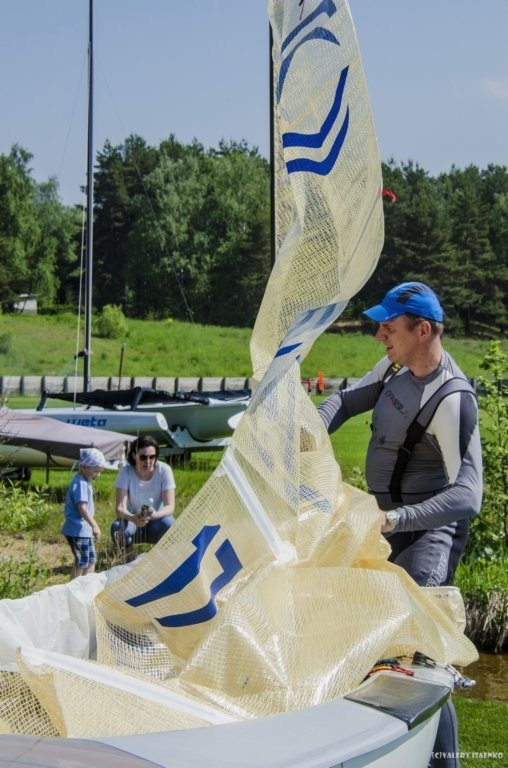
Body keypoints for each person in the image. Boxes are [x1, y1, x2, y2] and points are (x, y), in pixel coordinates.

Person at [317, 281, 483, 768]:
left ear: (422, 330)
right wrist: (307, 435)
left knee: (419, 658)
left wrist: (398, 518)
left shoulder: (453, 398)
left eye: (389, 327)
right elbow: (343, 402)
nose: (379, 336)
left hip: (428, 534)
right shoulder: (394, 367)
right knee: (371, 643)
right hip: (386, 523)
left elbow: (468, 495)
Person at [111, 435, 176, 562]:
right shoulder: (125, 471)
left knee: (170, 524)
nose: (148, 461)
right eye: (143, 457)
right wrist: (133, 518)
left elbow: (170, 506)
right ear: (134, 455)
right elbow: (120, 508)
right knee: (117, 528)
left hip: (156, 520)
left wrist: (155, 515)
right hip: (132, 520)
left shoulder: (164, 470)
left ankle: (163, 560)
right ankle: (129, 559)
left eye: (152, 457)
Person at [61, 447, 109, 579]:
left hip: (84, 530)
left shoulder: (84, 481)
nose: (98, 475)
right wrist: (94, 525)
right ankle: (74, 587)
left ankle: (87, 586)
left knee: (91, 560)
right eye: (96, 471)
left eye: (100, 471)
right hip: (77, 529)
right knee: (82, 561)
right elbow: (82, 507)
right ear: (84, 467)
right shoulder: (80, 483)